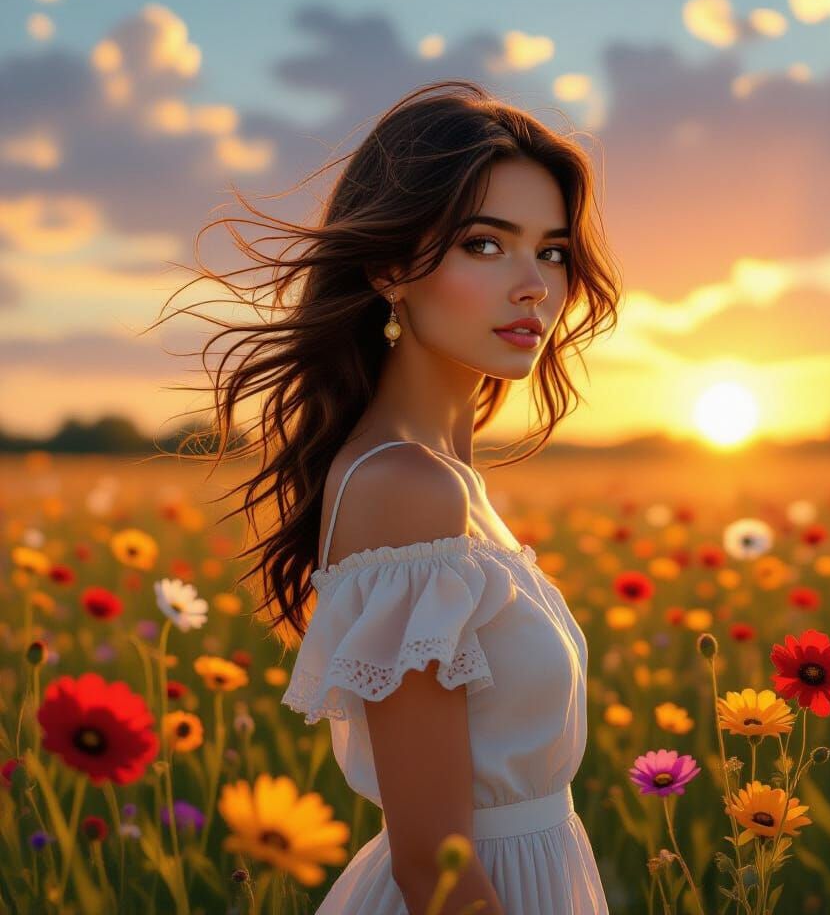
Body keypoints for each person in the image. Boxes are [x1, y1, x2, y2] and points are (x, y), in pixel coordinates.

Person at [161, 79, 621, 913]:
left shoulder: (447, 476)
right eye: (486, 244)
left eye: (552, 251)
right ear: (389, 268)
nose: (535, 286)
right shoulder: (406, 486)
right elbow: (433, 867)